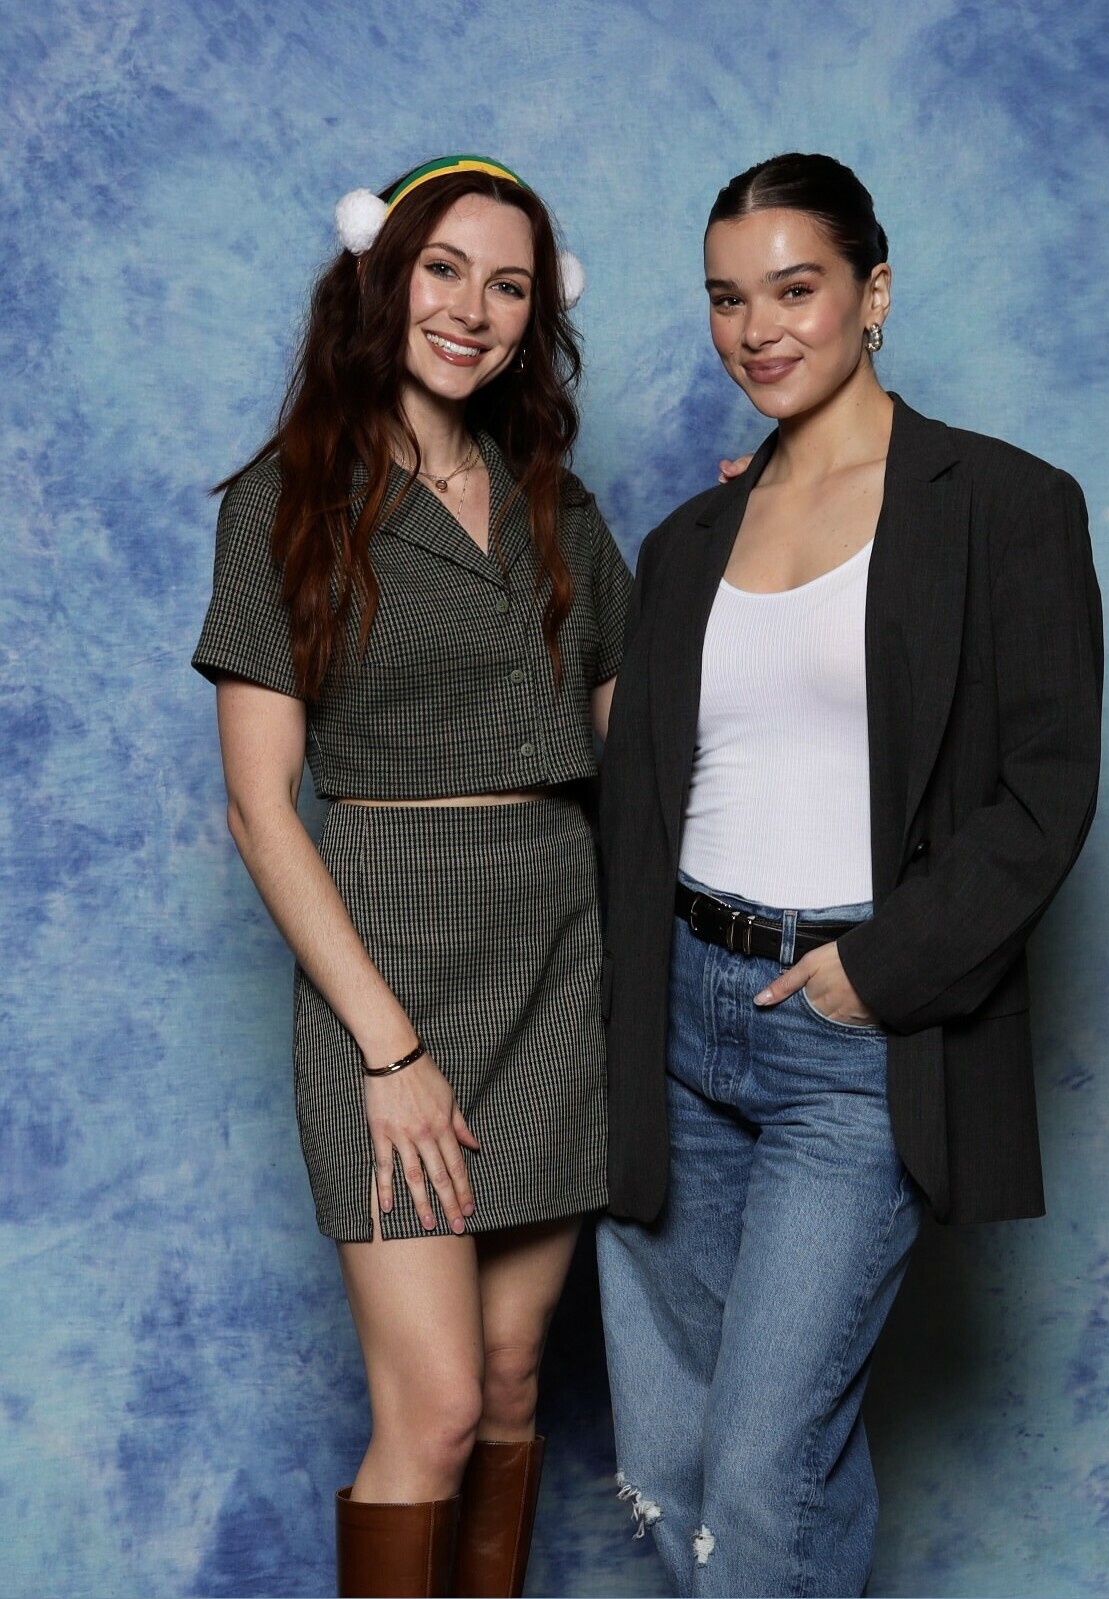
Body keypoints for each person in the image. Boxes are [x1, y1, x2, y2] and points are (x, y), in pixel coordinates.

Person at [595, 152, 1104, 1598]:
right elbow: (649, 772)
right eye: (726, 300)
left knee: (767, 1467)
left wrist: (876, 976)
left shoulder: (1002, 504)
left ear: (873, 294)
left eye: (795, 289)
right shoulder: (690, 538)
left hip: (847, 1028)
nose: (758, 329)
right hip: (675, 1017)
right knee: (675, 1461)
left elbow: (1045, 791)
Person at [192, 154, 633, 1598]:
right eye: (444, 269)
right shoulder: (287, 499)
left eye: (508, 286)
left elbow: (646, 732)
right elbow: (261, 809)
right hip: (386, 959)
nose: (472, 309)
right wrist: (389, 1053)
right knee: (433, 1412)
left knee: (508, 1381)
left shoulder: (557, 505)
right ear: (380, 275)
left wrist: (756, 530)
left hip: (556, 956)